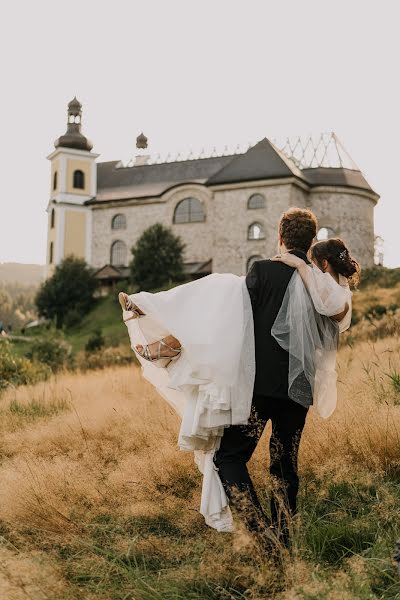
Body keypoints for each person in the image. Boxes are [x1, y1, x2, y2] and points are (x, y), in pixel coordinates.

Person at [119, 208, 359, 536]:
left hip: (258, 390)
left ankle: (263, 535)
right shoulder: (323, 283)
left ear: (279, 237)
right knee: (285, 464)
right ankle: (284, 538)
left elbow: (228, 318)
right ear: (312, 239)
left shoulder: (261, 271)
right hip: (300, 388)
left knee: (229, 458)